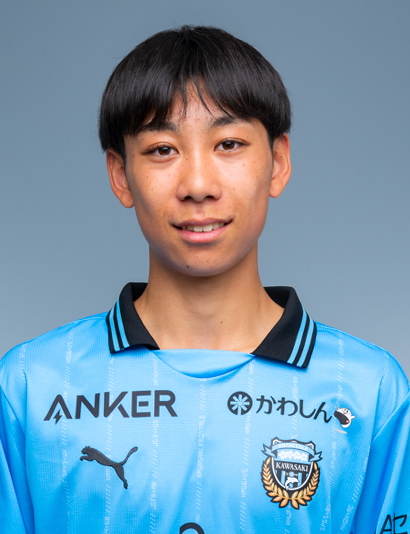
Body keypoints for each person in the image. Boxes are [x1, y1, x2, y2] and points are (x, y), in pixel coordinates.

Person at [0, 26, 409, 534]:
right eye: (162, 149)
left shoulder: (370, 390)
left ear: (278, 163)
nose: (198, 185)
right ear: (120, 175)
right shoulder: (29, 386)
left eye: (229, 144)